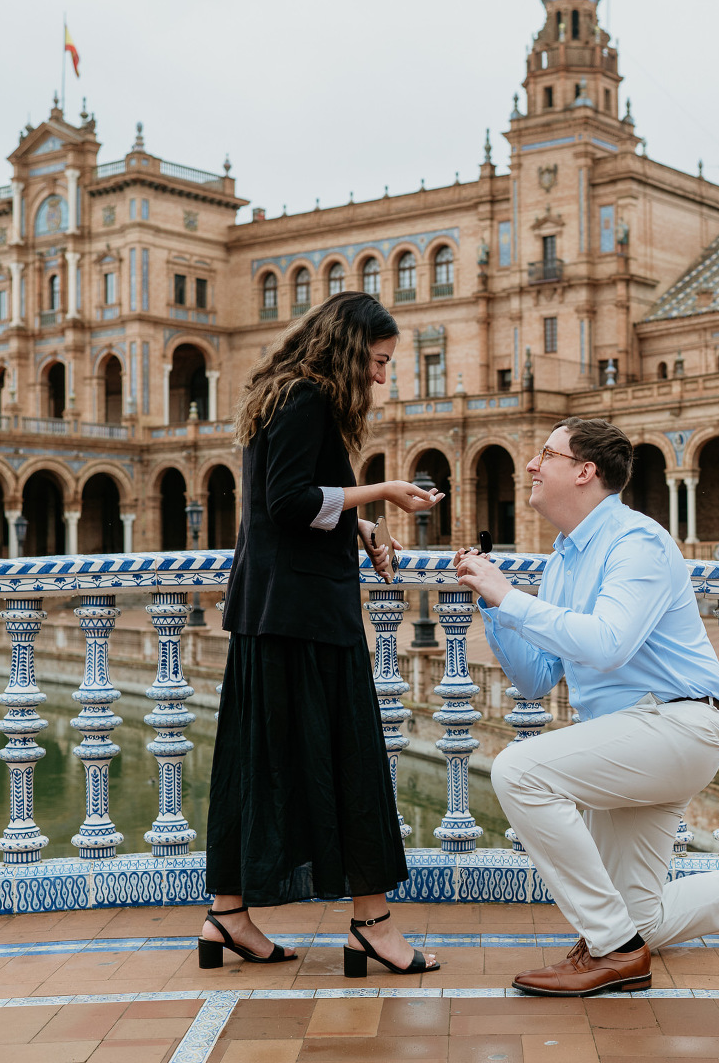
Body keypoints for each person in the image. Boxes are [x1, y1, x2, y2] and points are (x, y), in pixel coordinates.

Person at [454, 417, 719, 998]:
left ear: (586, 472)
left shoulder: (638, 543)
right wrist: (493, 605)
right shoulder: (561, 564)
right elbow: (535, 679)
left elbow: (608, 643)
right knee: (644, 919)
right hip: (625, 740)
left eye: (546, 454)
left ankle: (613, 950)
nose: (531, 465)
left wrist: (510, 596)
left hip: (675, 726)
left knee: (516, 771)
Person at [201, 291, 444, 978]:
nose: (381, 377)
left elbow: (283, 508)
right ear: (345, 347)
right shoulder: (307, 399)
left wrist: (359, 529)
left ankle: (227, 914)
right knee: (350, 762)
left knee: (257, 763)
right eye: (377, 361)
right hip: (305, 619)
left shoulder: (279, 393)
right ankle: (372, 925)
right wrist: (383, 493)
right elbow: (288, 502)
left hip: (269, 612)